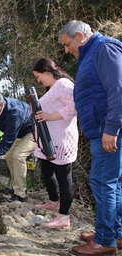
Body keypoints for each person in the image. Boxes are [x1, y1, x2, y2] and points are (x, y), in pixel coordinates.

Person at [58, 20, 122, 255]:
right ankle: (115, 233)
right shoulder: (89, 54)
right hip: (101, 128)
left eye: (67, 44)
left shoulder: (104, 48)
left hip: (107, 129)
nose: (66, 50)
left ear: (78, 35)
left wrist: (111, 128)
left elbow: (117, 88)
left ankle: (105, 241)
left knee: (101, 182)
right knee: (112, 184)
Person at [31, 58, 78, 229]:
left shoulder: (64, 85)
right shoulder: (53, 87)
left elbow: (74, 106)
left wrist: (49, 116)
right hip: (49, 141)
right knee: (46, 171)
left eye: (38, 76)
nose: (38, 80)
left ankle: (64, 217)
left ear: (46, 71)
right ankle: (53, 202)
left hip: (62, 140)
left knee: (64, 178)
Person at [0, 91, 35, 202]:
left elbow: (6, 144)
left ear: (2, 104)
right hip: (19, 133)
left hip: (32, 131)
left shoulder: (14, 113)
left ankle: (20, 195)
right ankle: (16, 187)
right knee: (9, 156)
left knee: (18, 155)